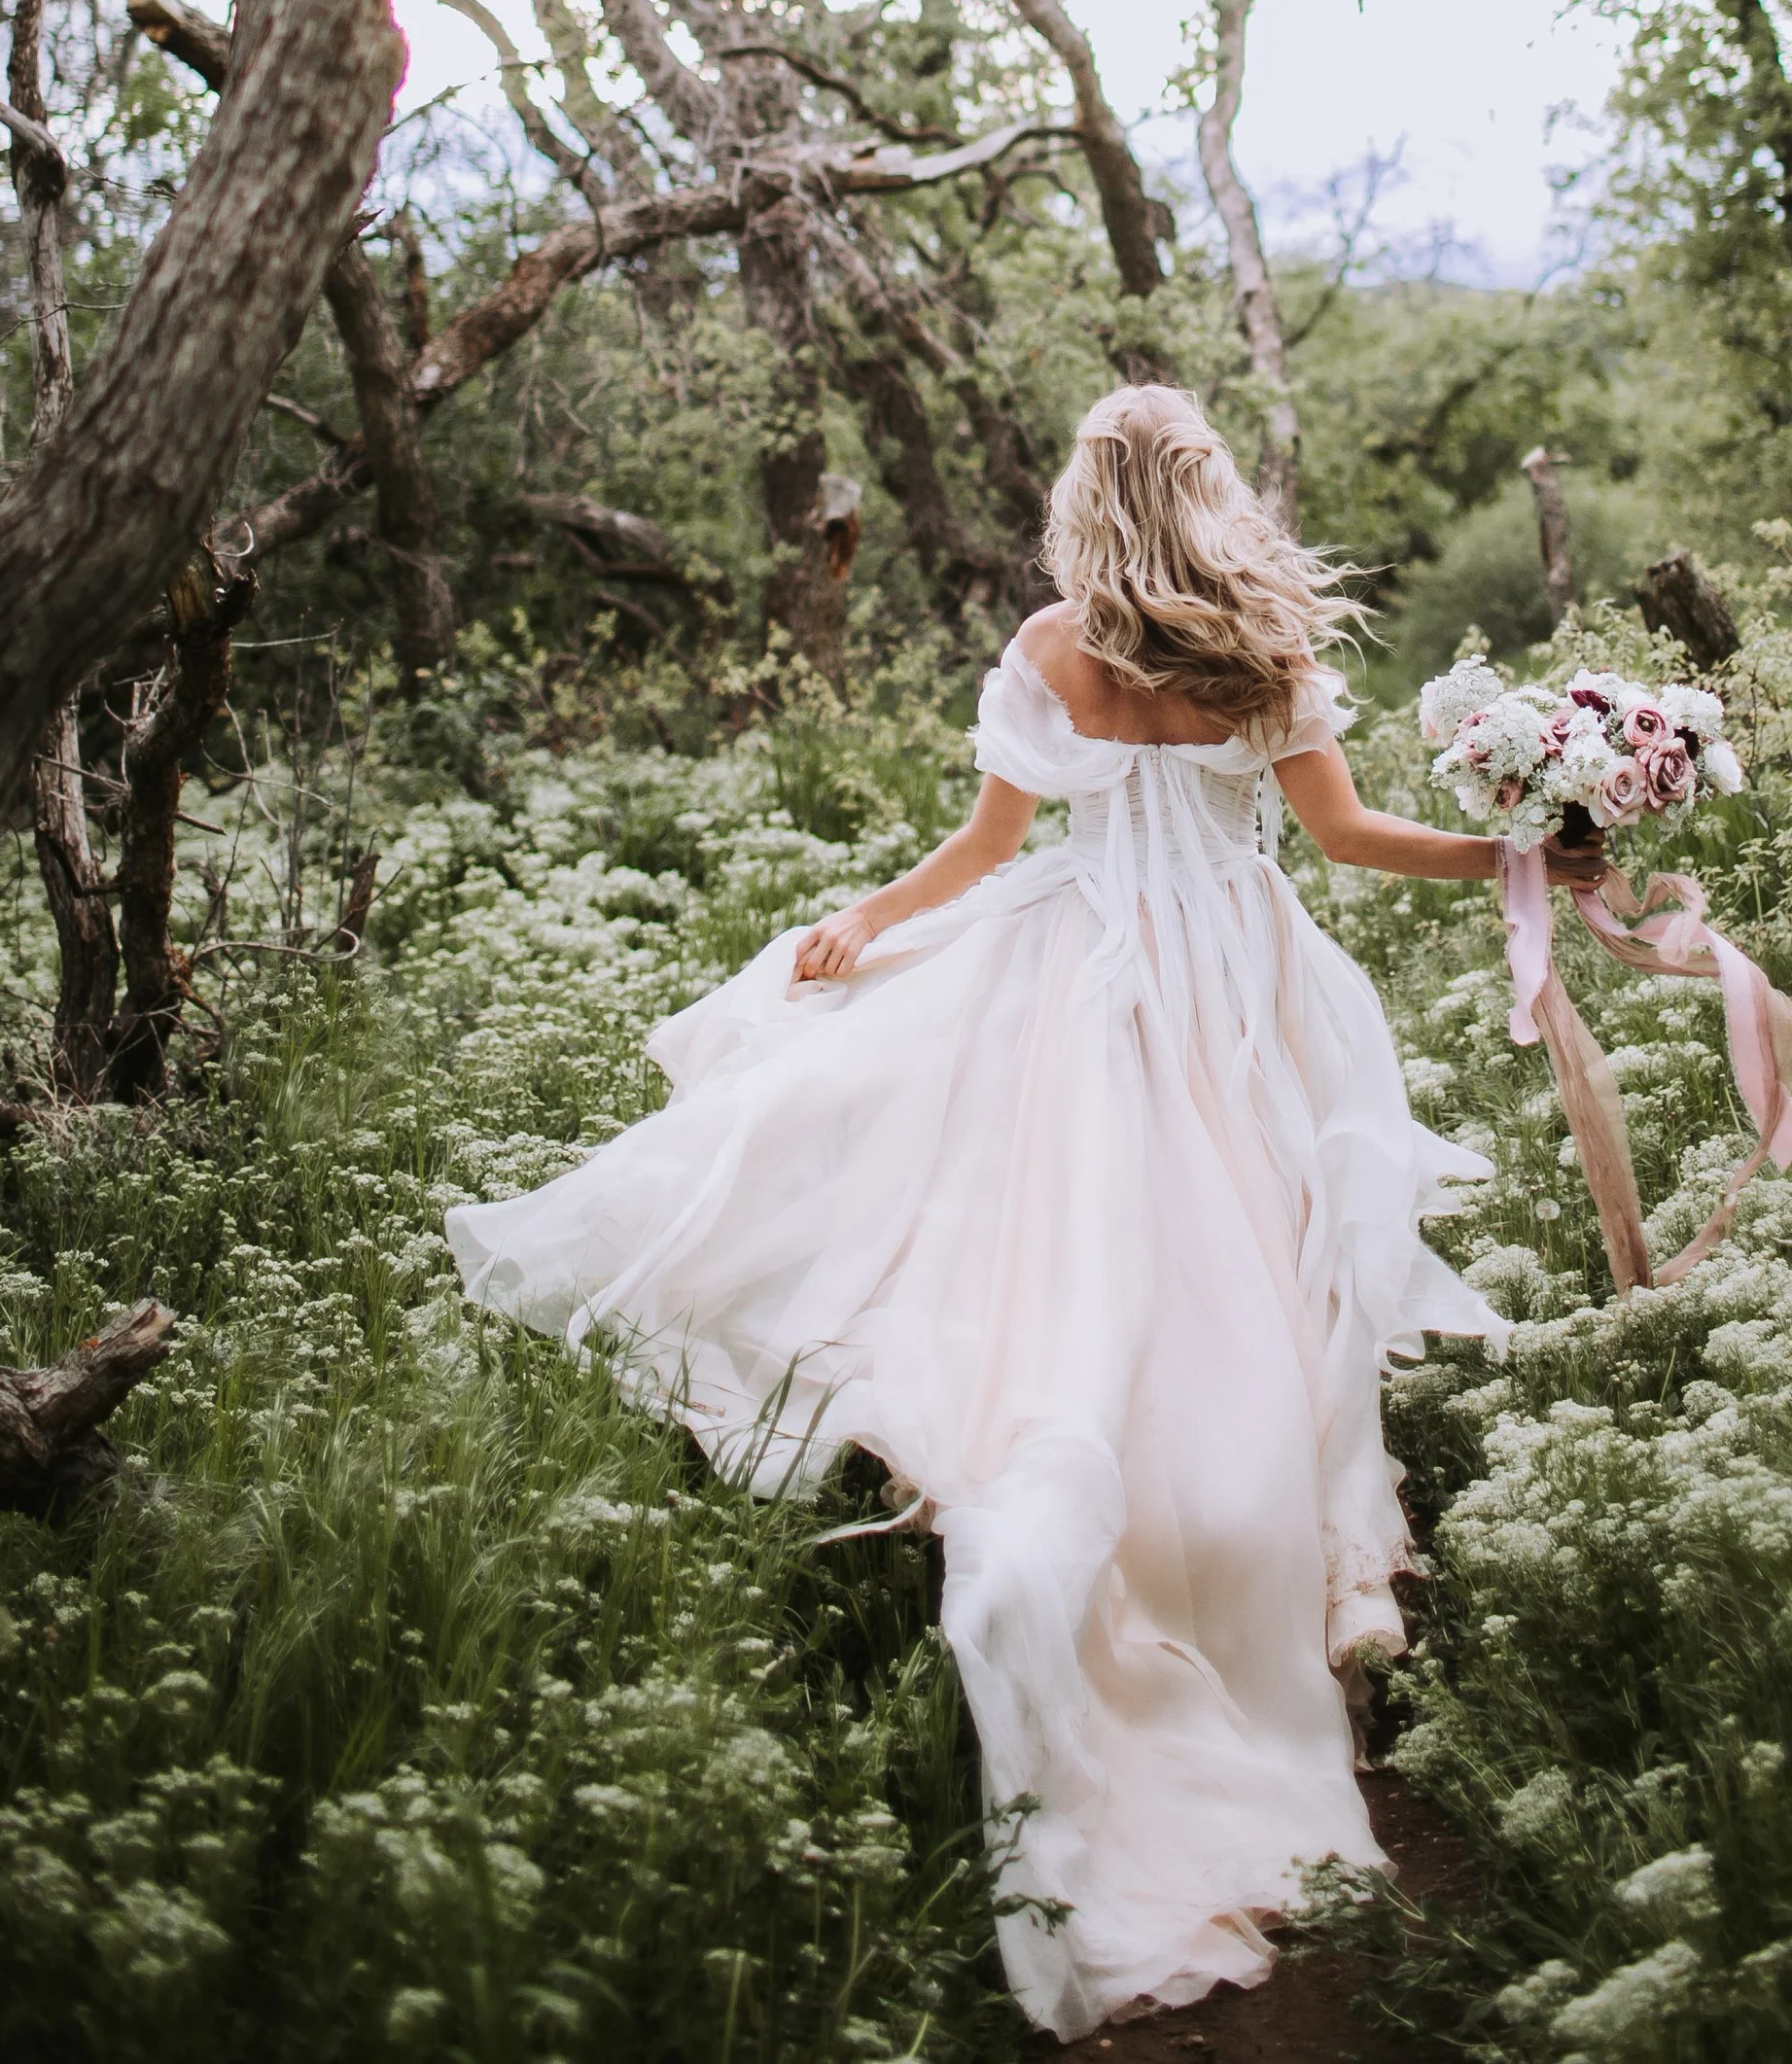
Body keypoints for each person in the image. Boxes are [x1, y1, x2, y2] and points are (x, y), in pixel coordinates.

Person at [447, 384, 1511, 2040]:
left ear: (1089, 499)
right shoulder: (1265, 650)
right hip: (1236, 987)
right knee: (1235, 1268)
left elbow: (983, 842)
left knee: (1067, 1253)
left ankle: (1103, 1537)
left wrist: (868, 918)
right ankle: (1250, 1551)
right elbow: (1354, 840)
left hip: (1078, 966)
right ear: (1208, 491)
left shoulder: (1054, 645)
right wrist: (1520, 854)